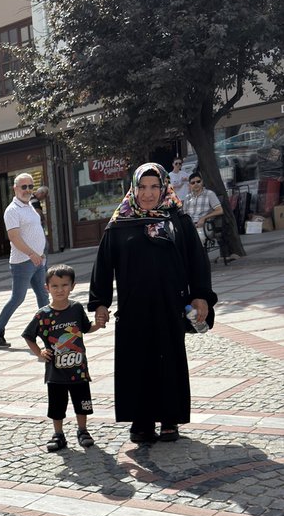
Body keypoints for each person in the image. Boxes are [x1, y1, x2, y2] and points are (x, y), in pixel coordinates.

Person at [89, 163, 216, 444]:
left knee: (169, 360)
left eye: (154, 187)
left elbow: (196, 260)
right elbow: (103, 264)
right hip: (133, 309)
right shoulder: (120, 222)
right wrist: (100, 302)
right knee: (136, 362)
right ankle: (141, 420)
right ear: (133, 189)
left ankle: (170, 419)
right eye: (142, 187)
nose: (148, 194)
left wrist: (201, 295)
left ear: (164, 187)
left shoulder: (178, 220)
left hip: (171, 305)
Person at [22, 264, 102, 452]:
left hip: (79, 371)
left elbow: (86, 327)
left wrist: (98, 325)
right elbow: (28, 336)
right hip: (55, 373)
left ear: (72, 286)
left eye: (64, 285)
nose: (60, 290)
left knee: (83, 403)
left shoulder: (76, 308)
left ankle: (83, 431)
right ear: (46, 288)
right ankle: (58, 434)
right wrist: (39, 353)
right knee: (57, 406)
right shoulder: (43, 315)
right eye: (55, 286)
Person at [0, 173, 49, 348]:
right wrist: (32, 254)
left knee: (43, 296)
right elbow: (14, 238)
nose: (28, 190)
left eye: (31, 186)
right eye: (24, 187)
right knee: (18, 298)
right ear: (15, 188)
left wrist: (41, 252)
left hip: (38, 259)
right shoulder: (12, 210)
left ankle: (47, 331)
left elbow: (35, 231)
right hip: (22, 262)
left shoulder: (29, 205)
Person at [181, 171, 224, 243]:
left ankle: (200, 254)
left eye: (198, 181)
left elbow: (220, 210)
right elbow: (185, 215)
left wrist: (204, 218)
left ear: (202, 182)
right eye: (193, 183)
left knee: (195, 241)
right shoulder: (188, 197)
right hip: (191, 227)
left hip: (205, 226)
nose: (196, 184)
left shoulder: (209, 194)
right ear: (190, 185)